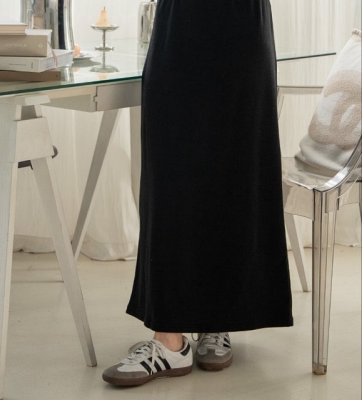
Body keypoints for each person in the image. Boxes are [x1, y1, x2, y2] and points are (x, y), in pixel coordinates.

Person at [103, 0, 293, 386]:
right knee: (171, 179)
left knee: (234, 175)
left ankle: (216, 318)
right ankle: (169, 338)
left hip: (242, 29)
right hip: (179, 29)